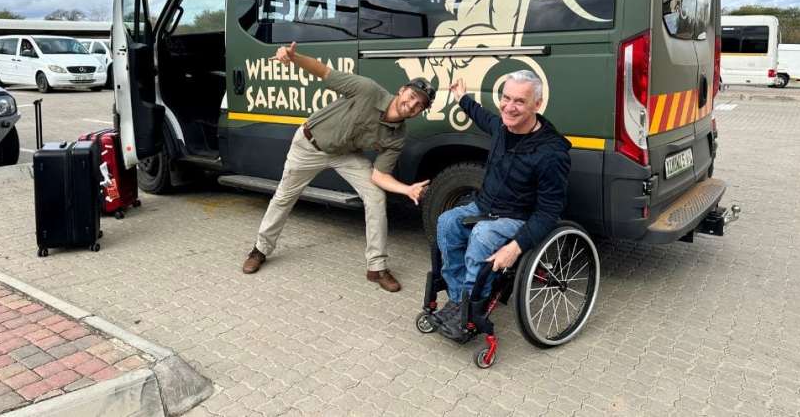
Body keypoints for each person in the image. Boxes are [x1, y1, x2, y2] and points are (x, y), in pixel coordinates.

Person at [242, 41, 435, 292]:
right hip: (310, 145)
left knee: (376, 197)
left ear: (421, 110)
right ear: (402, 90)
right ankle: (260, 250)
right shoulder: (367, 90)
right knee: (284, 197)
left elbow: (379, 175)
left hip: (345, 155)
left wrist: (406, 190)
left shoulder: (397, 136)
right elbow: (322, 71)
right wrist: (293, 56)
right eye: (412, 97)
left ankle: (376, 267)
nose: (412, 104)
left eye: (419, 104)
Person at [434, 70, 571, 339]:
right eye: (506, 98)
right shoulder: (502, 127)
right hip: (483, 206)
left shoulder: (551, 153)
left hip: (518, 216)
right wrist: (462, 98)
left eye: (519, 101)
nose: (509, 106)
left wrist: (515, 247)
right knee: (446, 222)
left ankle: (475, 307)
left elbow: (549, 210)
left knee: (482, 236)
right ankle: (458, 298)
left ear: (537, 105)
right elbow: (481, 116)